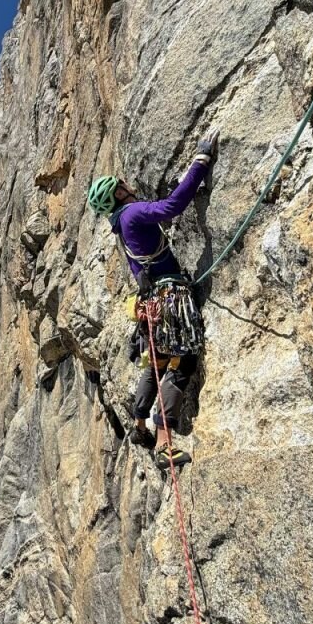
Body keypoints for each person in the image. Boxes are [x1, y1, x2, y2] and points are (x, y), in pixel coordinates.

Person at [87, 129, 219, 470]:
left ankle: (140, 423)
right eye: (122, 183)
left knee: (156, 361)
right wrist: (200, 162)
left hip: (152, 301)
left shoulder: (120, 225)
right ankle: (164, 443)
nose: (128, 183)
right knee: (182, 362)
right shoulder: (132, 213)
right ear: (118, 193)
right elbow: (172, 206)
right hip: (171, 296)